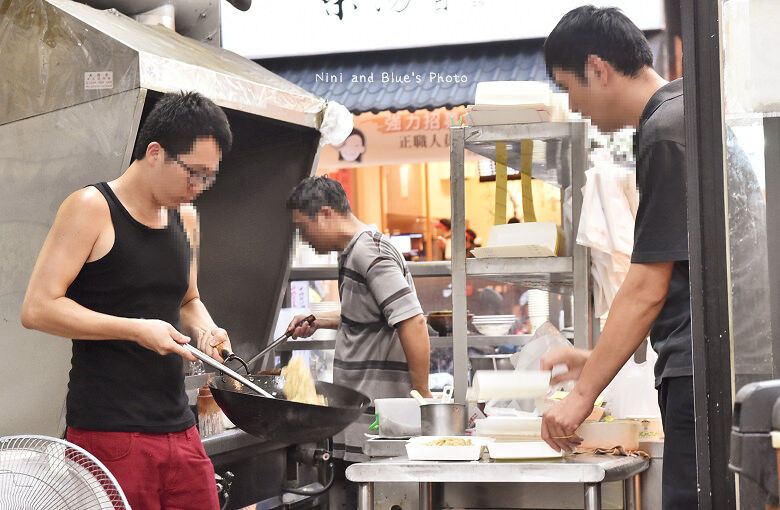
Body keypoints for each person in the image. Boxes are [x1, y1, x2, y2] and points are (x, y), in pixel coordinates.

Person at [21, 91, 233, 510]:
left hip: (180, 427)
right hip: (109, 434)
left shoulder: (185, 217)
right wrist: (135, 328)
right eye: (194, 173)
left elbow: (187, 297)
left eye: (208, 178)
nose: (199, 188)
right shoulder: (91, 208)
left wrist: (206, 329)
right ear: (155, 153)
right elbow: (38, 307)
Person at [538, 7, 696, 509]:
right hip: (704, 367)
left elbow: (649, 284)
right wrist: (595, 364)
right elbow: (682, 281)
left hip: (698, 377)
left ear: (598, 68)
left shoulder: (667, 129)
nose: (575, 106)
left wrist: (582, 394)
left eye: (569, 88)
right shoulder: (681, 112)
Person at [285, 176, 432, 504]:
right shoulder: (353, 253)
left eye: (303, 227)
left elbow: (412, 320)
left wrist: (421, 395)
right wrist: (319, 319)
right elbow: (377, 313)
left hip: (377, 428)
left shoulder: (370, 252)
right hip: (360, 425)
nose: (304, 238)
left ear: (325, 214)